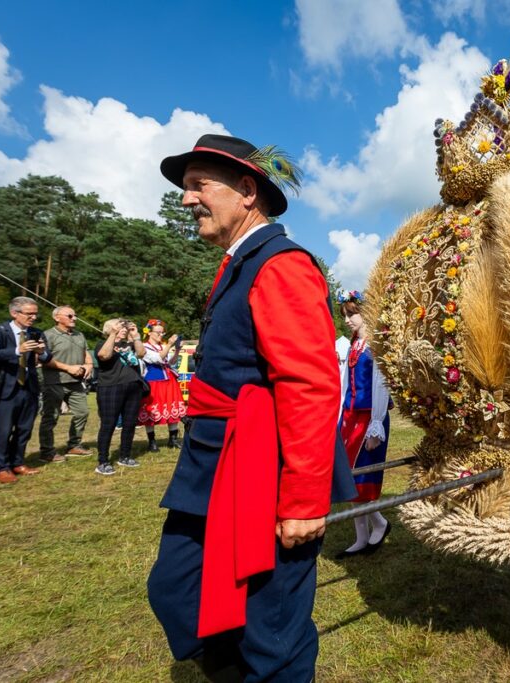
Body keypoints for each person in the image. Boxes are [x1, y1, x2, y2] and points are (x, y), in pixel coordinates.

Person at [146, 133, 356, 682]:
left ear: (245, 191)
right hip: (216, 468)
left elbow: (309, 386)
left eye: (197, 186)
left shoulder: (280, 264)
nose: (186, 199)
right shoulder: (238, 263)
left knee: (271, 627)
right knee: (177, 591)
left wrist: (306, 500)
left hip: (262, 473)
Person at [335, 290, 392, 559]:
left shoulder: (376, 344)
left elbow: (382, 385)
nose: (347, 319)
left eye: (352, 313)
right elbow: (346, 383)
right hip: (350, 417)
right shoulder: (353, 345)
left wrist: (376, 424)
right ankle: (362, 536)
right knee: (349, 478)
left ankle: (378, 524)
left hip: (369, 418)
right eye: (345, 314)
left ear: (366, 312)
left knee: (362, 479)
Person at [0, 297, 53, 484]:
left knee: (24, 429)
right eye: (29, 314)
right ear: (14, 313)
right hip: (4, 389)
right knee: (4, 430)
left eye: (35, 314)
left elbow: (46, 357)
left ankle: (18, 462)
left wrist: (41, 353)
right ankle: (2, 467)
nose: (34, 318)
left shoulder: (36, 332)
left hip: (28, 388)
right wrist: (17, 350)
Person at [39, 305, 93, 463]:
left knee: (82, 412)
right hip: (54, 382)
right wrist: (69, 368)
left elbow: (86, 355)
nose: (74, 318)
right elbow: (43, 359)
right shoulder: (48, 335)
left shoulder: (79, 335)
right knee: (51, 417)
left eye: (75, 315)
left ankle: (74, 445)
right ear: (57, 317)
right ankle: (47, 451)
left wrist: (88, 366)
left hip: (75, 382)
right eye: (70, 316)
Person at [94, 318, 146, 475]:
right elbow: (104, 356)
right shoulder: (101, 344)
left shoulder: (129, 345)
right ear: (110, 328)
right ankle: (103, 461)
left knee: (129, 424)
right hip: (110, 388)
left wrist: (136, 336)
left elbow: (141, 353)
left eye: (124, 327)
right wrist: (113, 335)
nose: (124, 328)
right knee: (108, 424)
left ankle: (125, 456)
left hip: (133, 387)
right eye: (120, 326)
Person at [137, 319, 187, 451]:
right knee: (151, 409)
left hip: (168, 380)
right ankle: (152, 441)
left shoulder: (162, 346)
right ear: (149, 333)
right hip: (153, 381)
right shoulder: (144, 347)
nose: (161, 335)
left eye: (162, 332)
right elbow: (158, 358)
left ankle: (173, 439)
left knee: (172, 407)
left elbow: (171, 362)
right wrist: (169, 345)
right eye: (158, 332)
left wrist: (176, 350)